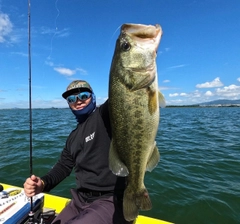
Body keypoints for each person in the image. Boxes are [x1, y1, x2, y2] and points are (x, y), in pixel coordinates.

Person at [23, 80, 131, 224]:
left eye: (84, 96)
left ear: (93, 97)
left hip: (111, 200)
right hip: (79, 201)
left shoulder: (105, 116)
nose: (78, 101)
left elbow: (121, 96)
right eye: (72, 99)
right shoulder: (72, 137)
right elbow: (63, 167)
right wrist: (42, 183)